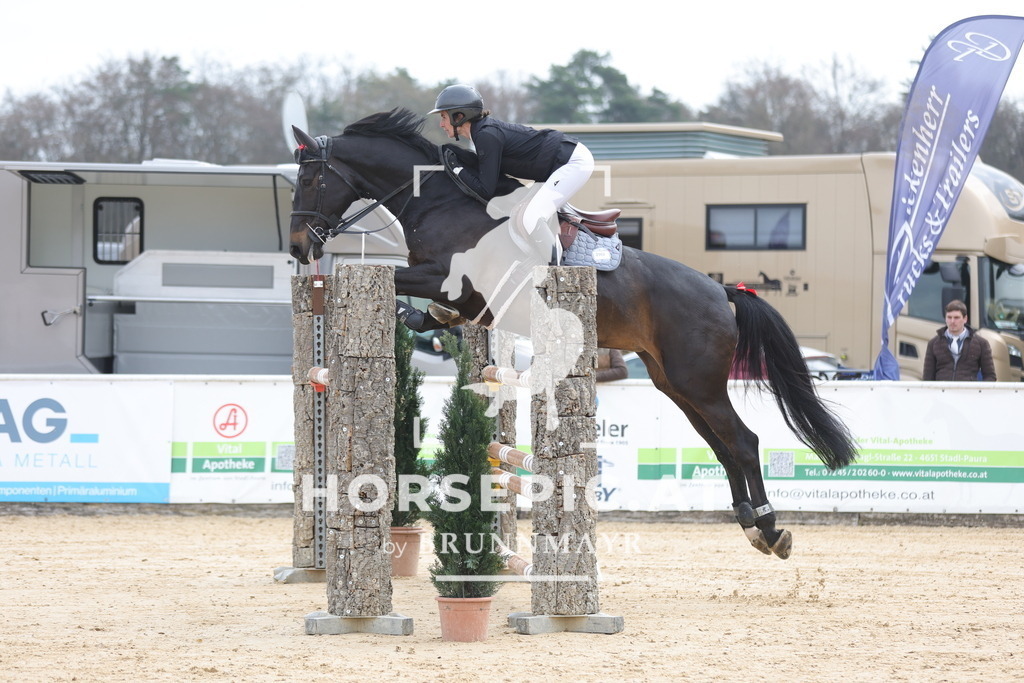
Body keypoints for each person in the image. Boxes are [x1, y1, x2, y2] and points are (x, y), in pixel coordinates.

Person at [428, 83, 595, 258]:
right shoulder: (482, 133)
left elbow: (485, 189)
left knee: (531, 217)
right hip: (560, 162)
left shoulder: (486, 135)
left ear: (459, 116)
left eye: (443, 117)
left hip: (572, 162)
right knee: (525, 214)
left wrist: (456, 168)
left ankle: (557, 271)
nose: (441, 124)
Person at [922, 300, 996, 381]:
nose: (952, 321)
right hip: (942, 389)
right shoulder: (933, 343)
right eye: (949, 317)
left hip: (968, 389)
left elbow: (990, 376)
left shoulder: (981, 344)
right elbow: (927, 378)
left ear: (965, 319)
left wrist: (977, 389)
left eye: (956, 318)